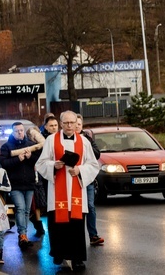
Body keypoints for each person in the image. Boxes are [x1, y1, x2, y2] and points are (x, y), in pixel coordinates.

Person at [35, 111, 100, 272]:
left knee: (76, 228)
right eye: (66, 123)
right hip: (58, 191)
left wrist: (79, 170)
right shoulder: (51, 140)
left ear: (76, 123)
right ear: (61, 124)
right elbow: (41, 163)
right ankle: (60, 254)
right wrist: (53, 166)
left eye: (72, 122)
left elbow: (93, 165)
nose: (70, 126)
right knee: (59, 226)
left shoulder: (84, 141)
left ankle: (77, 259)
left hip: (77, 190)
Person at [0, 121, 41, 249]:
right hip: (15, 184)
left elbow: (38, 161)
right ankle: (22, 234)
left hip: (29, 183)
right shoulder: (7, 146)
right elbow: (4, 163)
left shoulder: (31, 145)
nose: (19, 133)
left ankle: (24, 234)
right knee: (20, 208)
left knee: (27, 210)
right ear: (13, 132)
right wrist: (18, 159)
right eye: (16, 131)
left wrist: (30, 157)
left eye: (21, 130)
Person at [76, 113, 104, 246]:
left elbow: (97, 154)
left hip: (88, 179)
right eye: (73, 124)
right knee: (77, 209)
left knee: (90, 207)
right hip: (73, 180)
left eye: (79, 124)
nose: (76, 127)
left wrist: (86, 146)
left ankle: (93, 235)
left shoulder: (87, 138)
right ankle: (77, 236)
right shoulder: (64, 139)